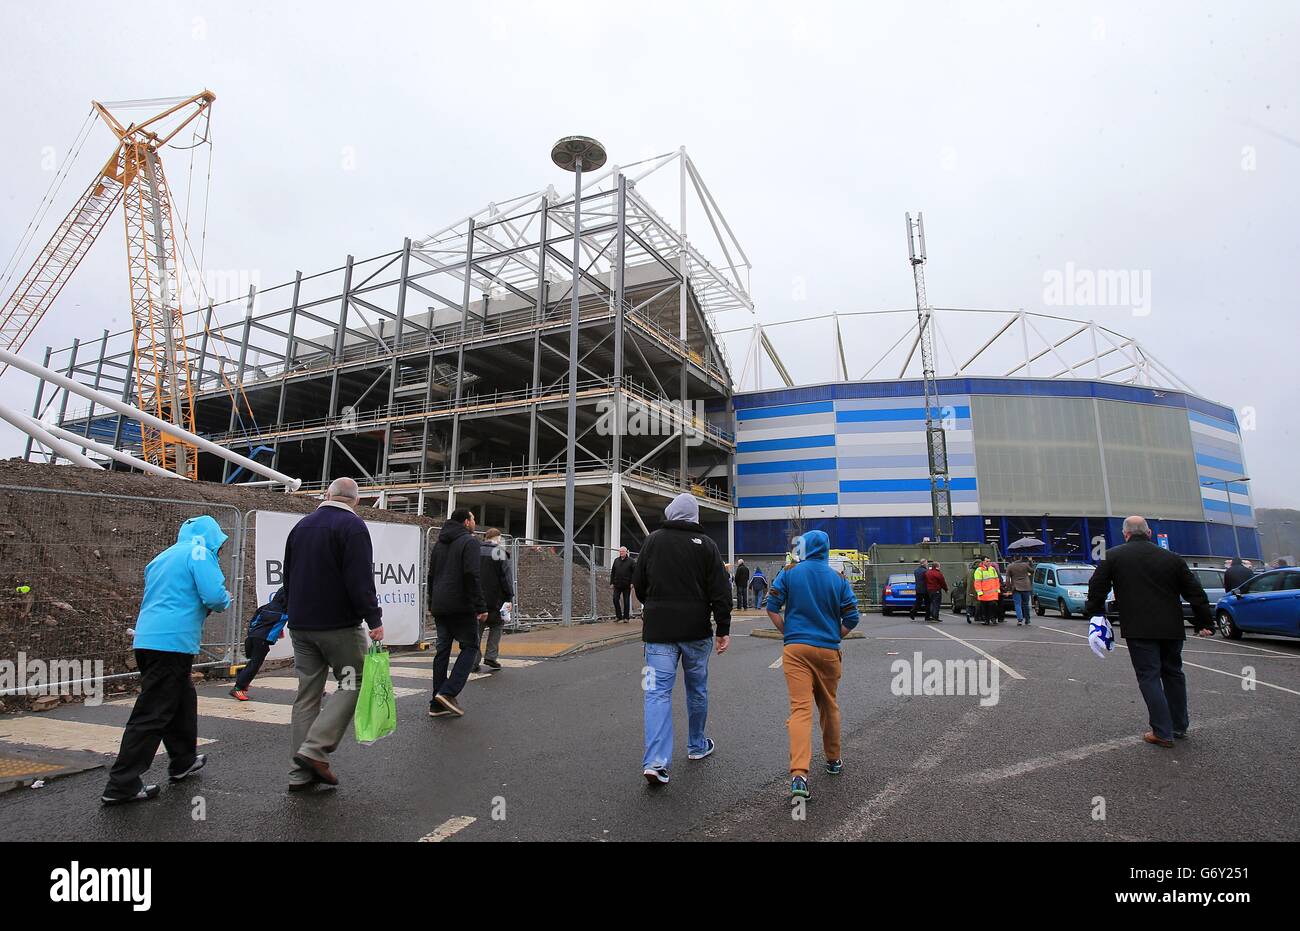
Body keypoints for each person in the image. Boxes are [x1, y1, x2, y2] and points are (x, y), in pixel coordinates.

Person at [101, 515, 232, 805]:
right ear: (210, 537)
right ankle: (121, 784)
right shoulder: (200, 553)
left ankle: (183, 760)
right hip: (173, 642)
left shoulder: (163, 556)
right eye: (219, 541)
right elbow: (214, 596)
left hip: (148, 638)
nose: (220, 548)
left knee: (182, 698)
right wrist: (226, 598)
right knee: (153, 712)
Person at [283, 477, 384, 791]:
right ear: (355, 501)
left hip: (301, 625)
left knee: (307, 696)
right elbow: (359, 579)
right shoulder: (352, 528)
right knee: (355, 681)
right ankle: (314, 750)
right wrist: (374, 618)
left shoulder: (301, 527)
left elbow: (288, 574)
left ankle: (300, 774)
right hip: (338, 625)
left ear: (327, 495)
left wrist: (293, 611)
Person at [1084, 516, 1213, 747]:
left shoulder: (1113, 556)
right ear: (1149, 533)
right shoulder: (1172, 558)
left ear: (1125, 534)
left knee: (1149, 676)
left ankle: (1162, 731)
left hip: (1139, 626)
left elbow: (1097, 585)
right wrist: (1204, 622)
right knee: (1173, 673)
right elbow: (1195, 591)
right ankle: (1179, 725)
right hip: (1172, 626)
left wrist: (1094, 612)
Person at [632, 492, 731, 786]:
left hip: (658, 633)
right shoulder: (708, 546)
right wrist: (723, 629)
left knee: (656, 693)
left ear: (671, 512)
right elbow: (721, 592)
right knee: (697, 689)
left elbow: (639, 583)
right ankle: (697, 745)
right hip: (696, 631)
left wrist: (654, 605)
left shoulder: (652, 541)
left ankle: (656, 761)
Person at [765, 530, 859, 801]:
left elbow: (772, 606)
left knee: (800, 709)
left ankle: (799, 775)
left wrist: (788, 632)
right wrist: (835, 635)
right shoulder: (838, 578)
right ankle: (833, 760)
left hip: (796, 649)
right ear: (826, 549)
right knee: (829, 706)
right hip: (828, 650)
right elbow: (852, 617)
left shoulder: (790, 572)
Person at [427, 507, 487, 717]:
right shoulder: (469, 542)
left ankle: (436, 704)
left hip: (440, 605)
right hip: (461, 605)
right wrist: (480, 606)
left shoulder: (440, 544)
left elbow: (431, 575)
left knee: (442, 652)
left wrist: (431, 602)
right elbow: (471, 575)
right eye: (473, 519)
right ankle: (448, 692)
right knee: (470, 646)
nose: (475, 522)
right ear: (465, 522)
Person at [230, 588, 289, 701]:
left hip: (253, 637)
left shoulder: (265, 607)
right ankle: (238, 687)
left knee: (253, 663)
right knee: (255, 664)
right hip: (262, 639)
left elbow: (255, 621)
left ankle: (243, 681)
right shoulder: (283, 612)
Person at [475, 528, 513, 672]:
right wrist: (509, 596)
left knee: (477, 630)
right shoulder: (499, 553)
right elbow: (505, 577)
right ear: (497, 538)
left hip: (477, 599)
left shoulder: (474, 551)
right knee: (496, 626)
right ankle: (491, 656)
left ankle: (473, 661)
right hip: (496, 599)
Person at [610, 545, 636, 622]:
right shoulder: (616, 560)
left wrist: (632, 582)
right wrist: (612, 582)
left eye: (623, 551)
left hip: (627, 585)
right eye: (620, 551)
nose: (621, 553)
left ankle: (626, 618)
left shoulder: (631, 561)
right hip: (617, 584)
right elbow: (613, 572)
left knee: (626, 601)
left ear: (626, 552)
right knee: (615, 599)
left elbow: (634, 573)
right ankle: (618, 616)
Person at [1007, 554, 1033, 626]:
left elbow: (1007, 579)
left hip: (1016, 587)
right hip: (1026, 586)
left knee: (1017, 604)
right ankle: (1027, 620)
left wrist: (1008, 588)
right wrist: (1030, 561)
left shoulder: (1010, 566)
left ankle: (1020, 620)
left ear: (1014, 558)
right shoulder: (1025, 565)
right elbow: (1032, 571)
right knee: (1026, 604)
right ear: (1021, 558)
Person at [973, 555, 1000, 626]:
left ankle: (993, 618)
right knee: (985, 608)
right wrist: (979, 592)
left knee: (993, 605)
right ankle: (986, 620)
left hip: (993, 593)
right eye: (987, 561)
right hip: (984, 593)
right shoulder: (979, 570)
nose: (989, 563)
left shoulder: (992, 569)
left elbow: (996, 580)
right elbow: (977, 582)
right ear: (983, 562)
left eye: (989, 561)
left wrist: (997, 589)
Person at [964, 559, 980, 624]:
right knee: (977, 603)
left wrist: (966, 588)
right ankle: (977, 616)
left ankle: (968, 614)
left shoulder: (969, 571)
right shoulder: (979, 571)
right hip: (977, 589)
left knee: (969, 603)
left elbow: (964, 581)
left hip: (969, 589)